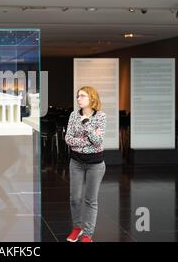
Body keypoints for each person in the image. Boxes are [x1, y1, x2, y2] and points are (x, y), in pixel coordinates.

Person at [65, 86, 106, 242]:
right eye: (77, 96)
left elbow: (98, 141)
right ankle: (77, 227)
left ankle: (88, 234)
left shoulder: (101, 116)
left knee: (90, 200)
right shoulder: (73, 115)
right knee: (75, 198)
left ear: (92, 98)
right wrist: (88, 139)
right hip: (76, 162)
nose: (78, 99)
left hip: (95, 164)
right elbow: (68, 139)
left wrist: (87, 124)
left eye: (82, 96)